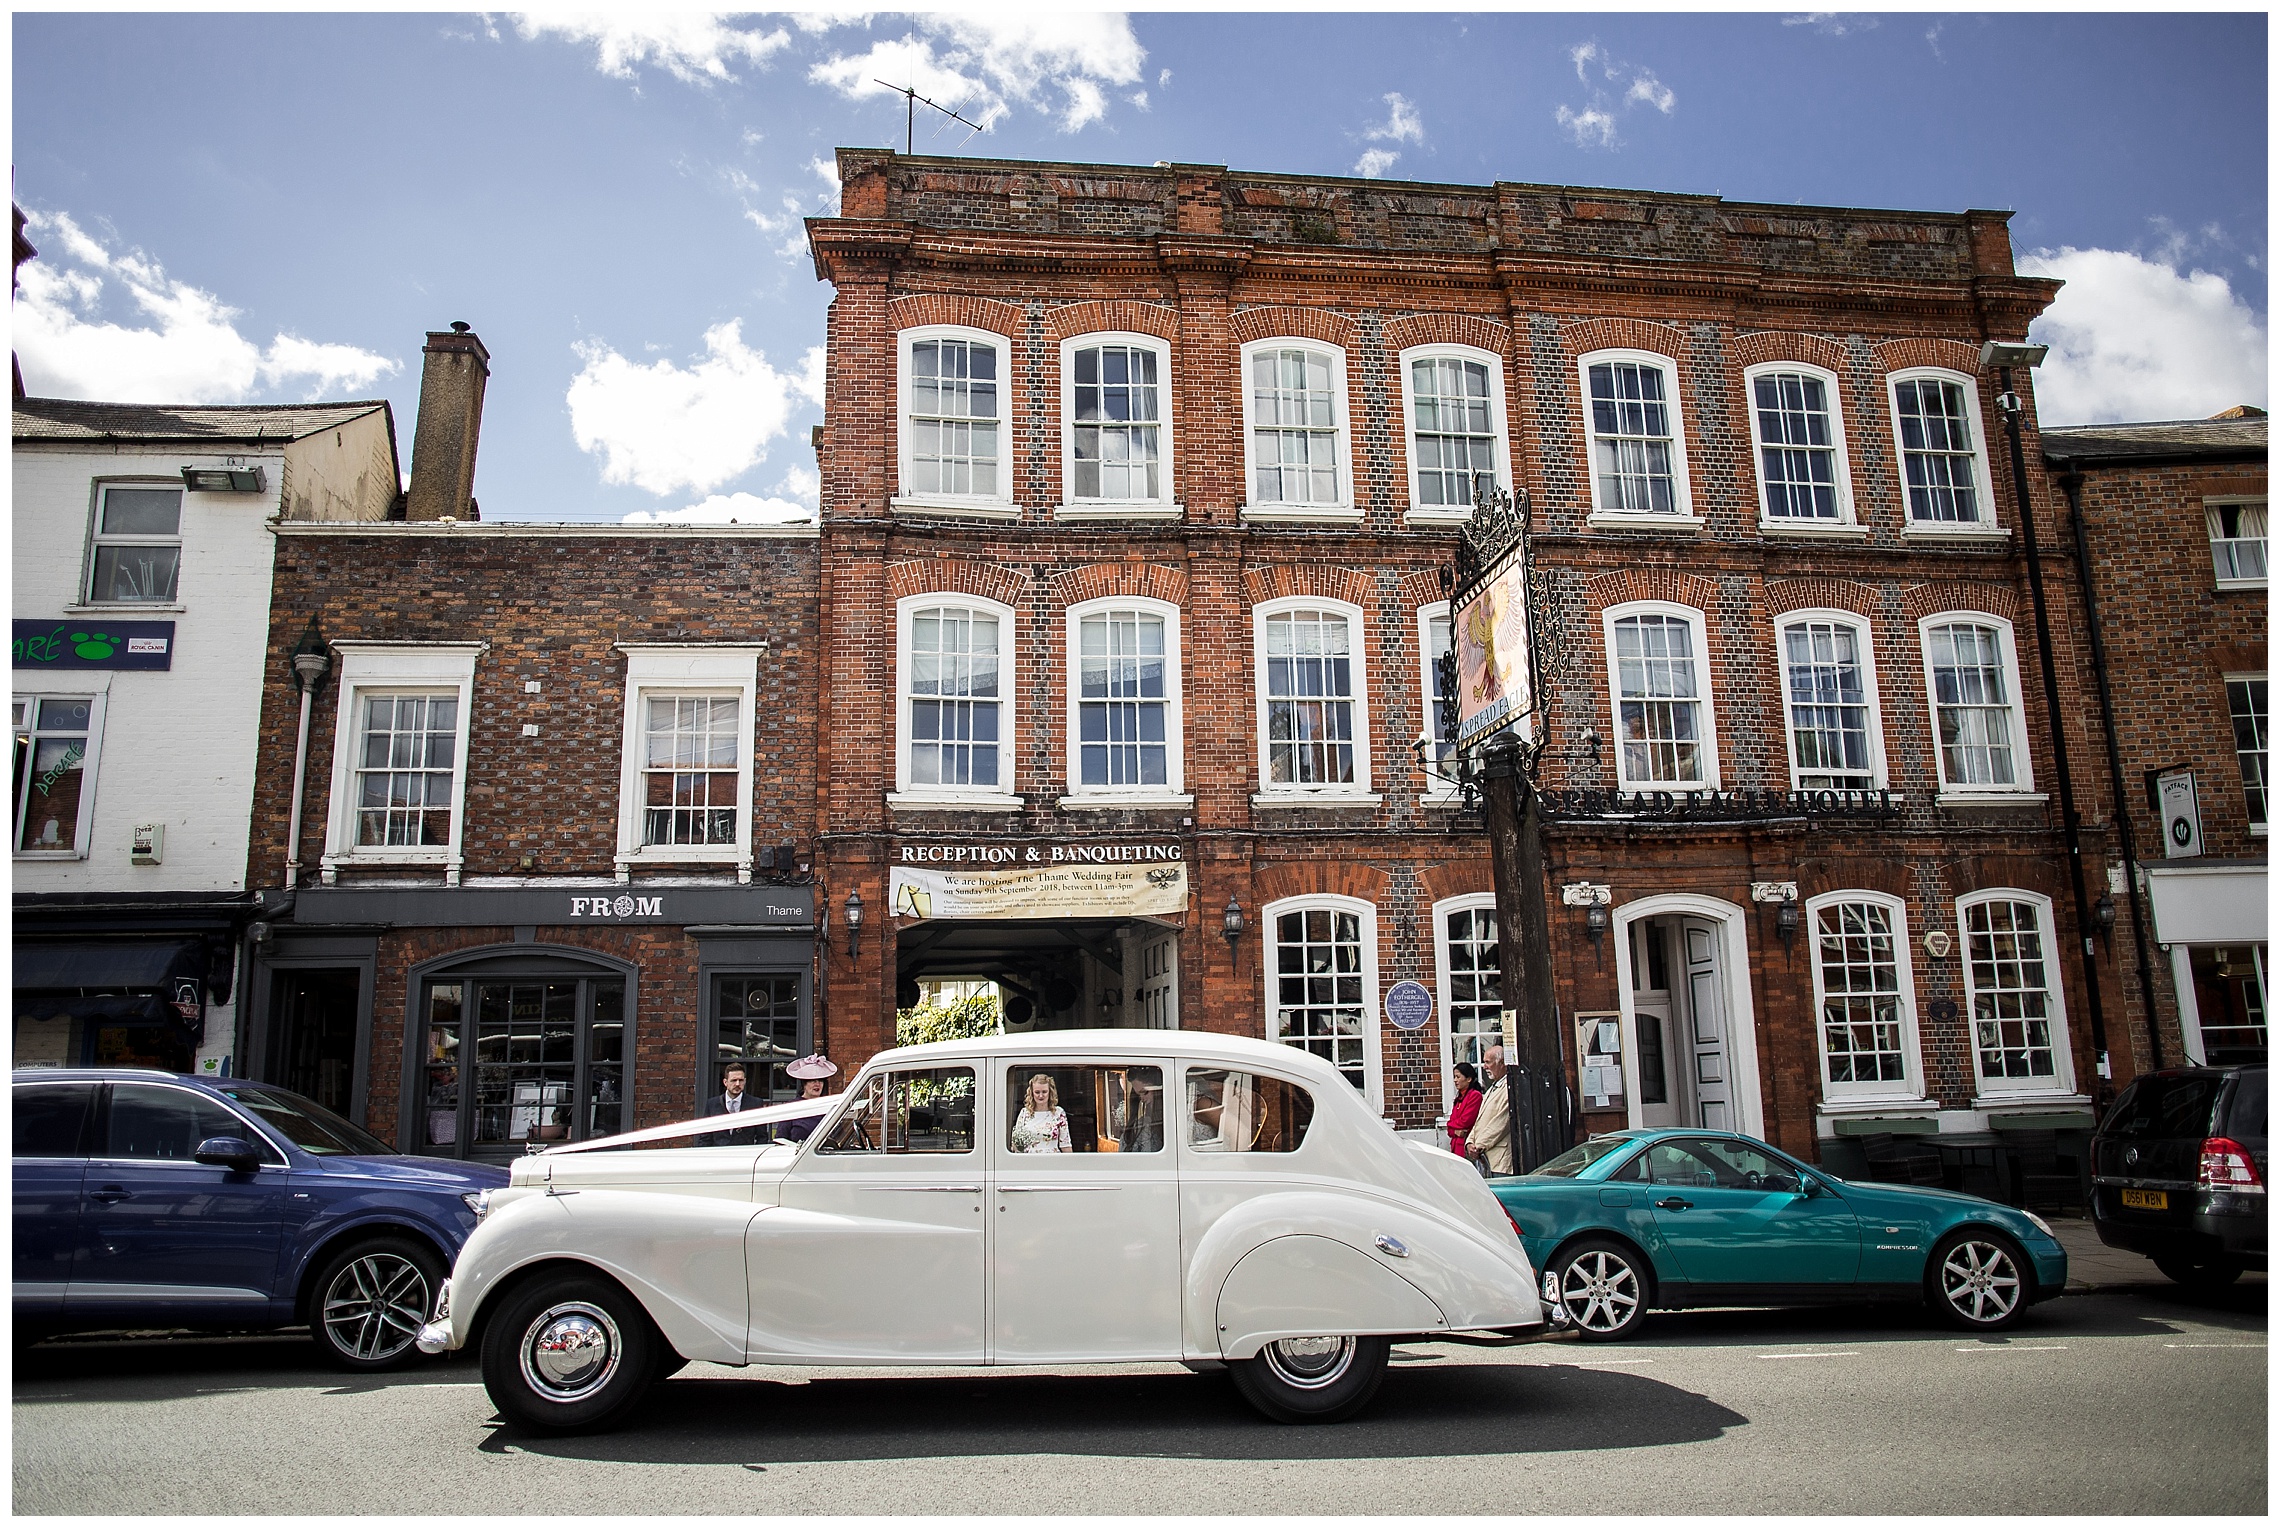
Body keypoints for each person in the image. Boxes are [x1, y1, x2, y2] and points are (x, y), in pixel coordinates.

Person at [1467, 1046, 1514, 1176]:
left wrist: (1479, 1145)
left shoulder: (1509, 1088)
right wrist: (1470, 1142)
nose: (1484, 1066)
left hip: (1500, 1161)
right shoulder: (1492, 1088)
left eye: (1488, 1062)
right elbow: (1480, 1120)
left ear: (1502, 1063)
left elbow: (1501, 1123)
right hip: (1485, 1160)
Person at [773, 1054, 838, 1143]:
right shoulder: (792, 1107)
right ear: (804, 1084)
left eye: (820, 1080)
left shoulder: (829, 1107)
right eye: (812, 1080)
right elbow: (781, 1139)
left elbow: (838, 1136)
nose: (817, 1084)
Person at [1010, 1072, 1072, 1153]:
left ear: (1050, 1092)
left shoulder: (1059, 1113)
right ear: (1032, 1093)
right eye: (1037, 1092)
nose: (1041, 1096)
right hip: (1029, 1161)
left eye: (1044, 1092)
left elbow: (1065, 1144)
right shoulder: (1024, 1113)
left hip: (1053, 1161)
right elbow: (1016, 1145)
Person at [1446, 1062, 1483, 1157]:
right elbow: (1449, 1130)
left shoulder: (1475, 1096)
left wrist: (1450, 1124)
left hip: (1466, 1146)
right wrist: (1454, 1130)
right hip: (1456, 1147)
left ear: (1469, 1079)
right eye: (1454, 1077)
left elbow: (1465, 1121)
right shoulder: (1459, 1098)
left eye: (1458, 1077)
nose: (1455, 1080)